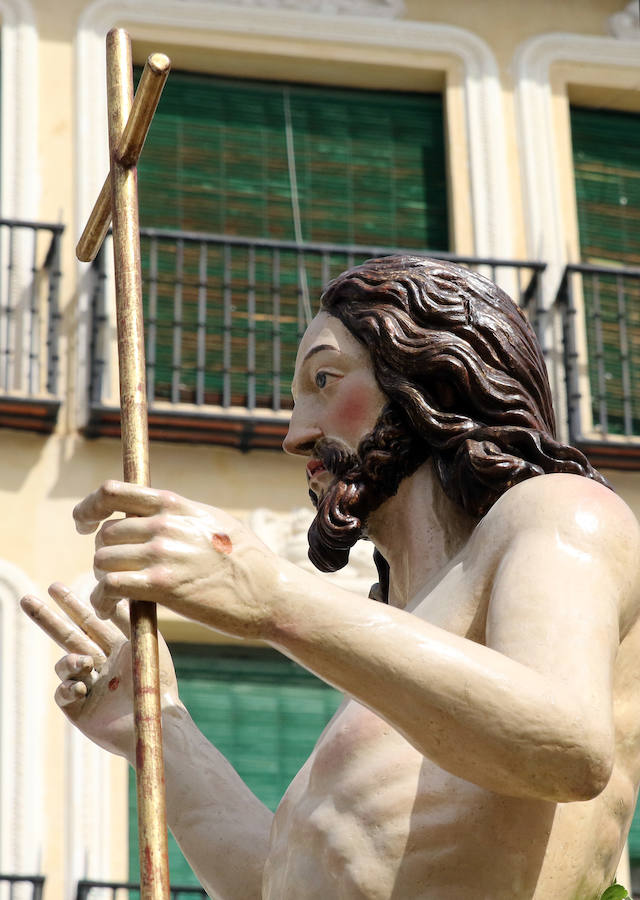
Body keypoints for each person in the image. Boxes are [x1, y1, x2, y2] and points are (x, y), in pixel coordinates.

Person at [21, 256, 640, 899]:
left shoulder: (559, 513)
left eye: (325, 380)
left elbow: (566, 745)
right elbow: (285, 885)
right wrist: (162, 733)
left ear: (439, 380)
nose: (295, 436)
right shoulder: (399, 635)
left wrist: (272, 595)